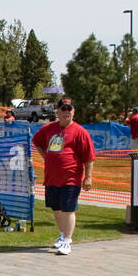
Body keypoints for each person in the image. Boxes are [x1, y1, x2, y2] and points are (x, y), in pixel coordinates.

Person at [31, 97, 95, 255]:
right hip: (52, 177)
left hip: (71, 178)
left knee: (68, 209)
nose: (66, 112)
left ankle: (67, 240)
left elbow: (89, 157)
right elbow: (37, 141)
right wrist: (46, 156)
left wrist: (88, 177)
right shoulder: (49, 129)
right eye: (63, 109)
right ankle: (62, 235)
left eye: (69, 109)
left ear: (73, 111)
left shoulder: (80, 132)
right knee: (57, 209)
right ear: (57, 111)